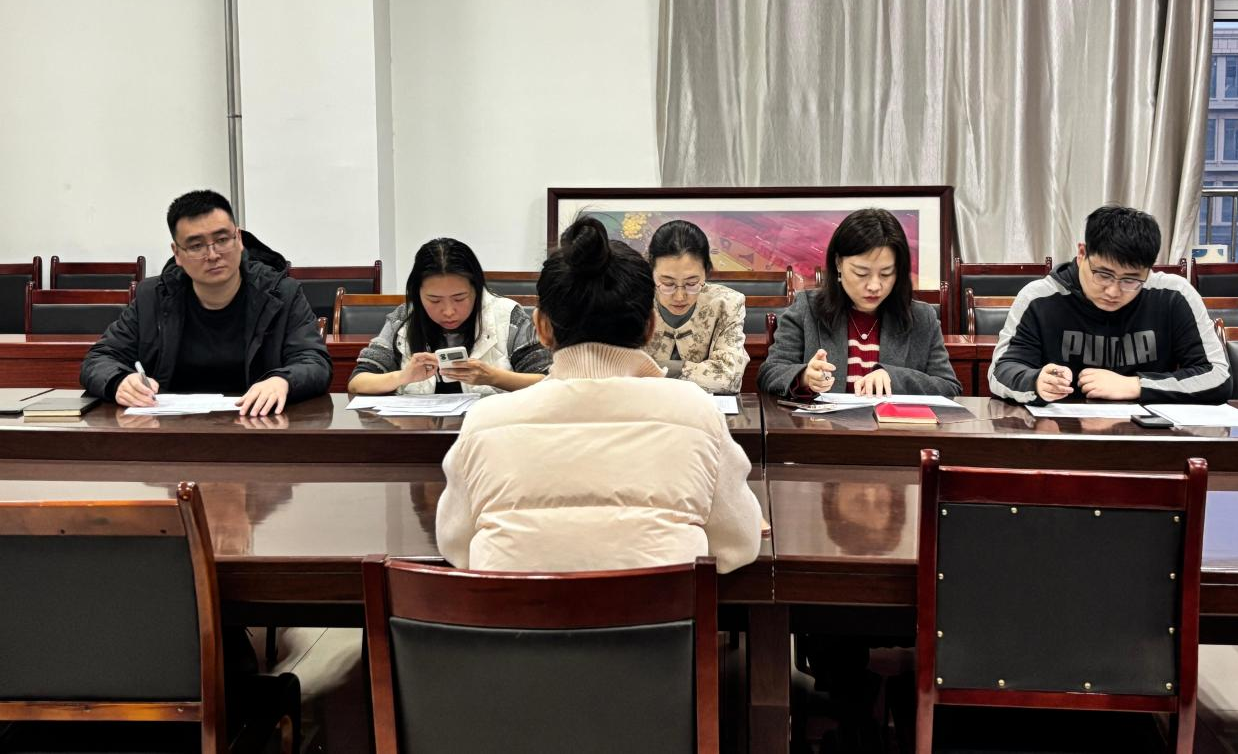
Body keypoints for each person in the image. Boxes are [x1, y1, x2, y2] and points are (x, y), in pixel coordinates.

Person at [436, 217, 763, 573]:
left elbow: (457, 548)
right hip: (655, 610)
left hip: (517, 610)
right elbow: (737, 547)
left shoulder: (484, 422)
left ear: (541, 327)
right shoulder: (697, 414)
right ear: (650, 325)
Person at [80, 190, 332, 415]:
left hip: (257, 425)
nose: (212, 255)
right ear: (177, 253)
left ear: (239, 239)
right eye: (196, 246)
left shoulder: (281, 293)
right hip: (170, 431)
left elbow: (315, 362)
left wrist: (282, 381)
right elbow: (99, 359)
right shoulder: (153, 297)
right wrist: (119, 381)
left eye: (222, 240)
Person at [988, 204, 1232, 404]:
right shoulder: (1039, 297)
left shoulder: (1174, 295)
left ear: (1149, 270)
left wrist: (1135, 386)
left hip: (1149, 436)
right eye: (1103, 275)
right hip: (1059, 433)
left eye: (1131, 280)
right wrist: (1036, 381)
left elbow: (1217, 376)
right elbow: (1001, 371)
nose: (1114, 291)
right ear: (1082, 254)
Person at [757, 208, 960, 398]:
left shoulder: (921, 318)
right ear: (838, 263)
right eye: (861, 273)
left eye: (886, 273)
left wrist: (894, 378)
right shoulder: (807, 309)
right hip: (824, 425)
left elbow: (949, 387)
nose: (874, 286)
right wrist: (804, 377)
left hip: (892, 425)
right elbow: (769, 373)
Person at [346, 238, 550, 396]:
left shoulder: (508, 316)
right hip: (418, 431)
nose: (449, 311)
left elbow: (549, 382)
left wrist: (493, 377)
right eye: (434, 300)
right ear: (417, 294)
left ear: (477, 290)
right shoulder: (404, 318)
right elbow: (358, 382)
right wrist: (403, 376)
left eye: (459, 298)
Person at [642, 220, 749, 393]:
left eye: (691, 284)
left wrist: (655, 369)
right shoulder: (635, 300)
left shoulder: (727, 304)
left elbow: (729, 378)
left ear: (706, 271)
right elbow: (616, 369)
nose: (680, 296)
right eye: (668, 284)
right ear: (651, 272)